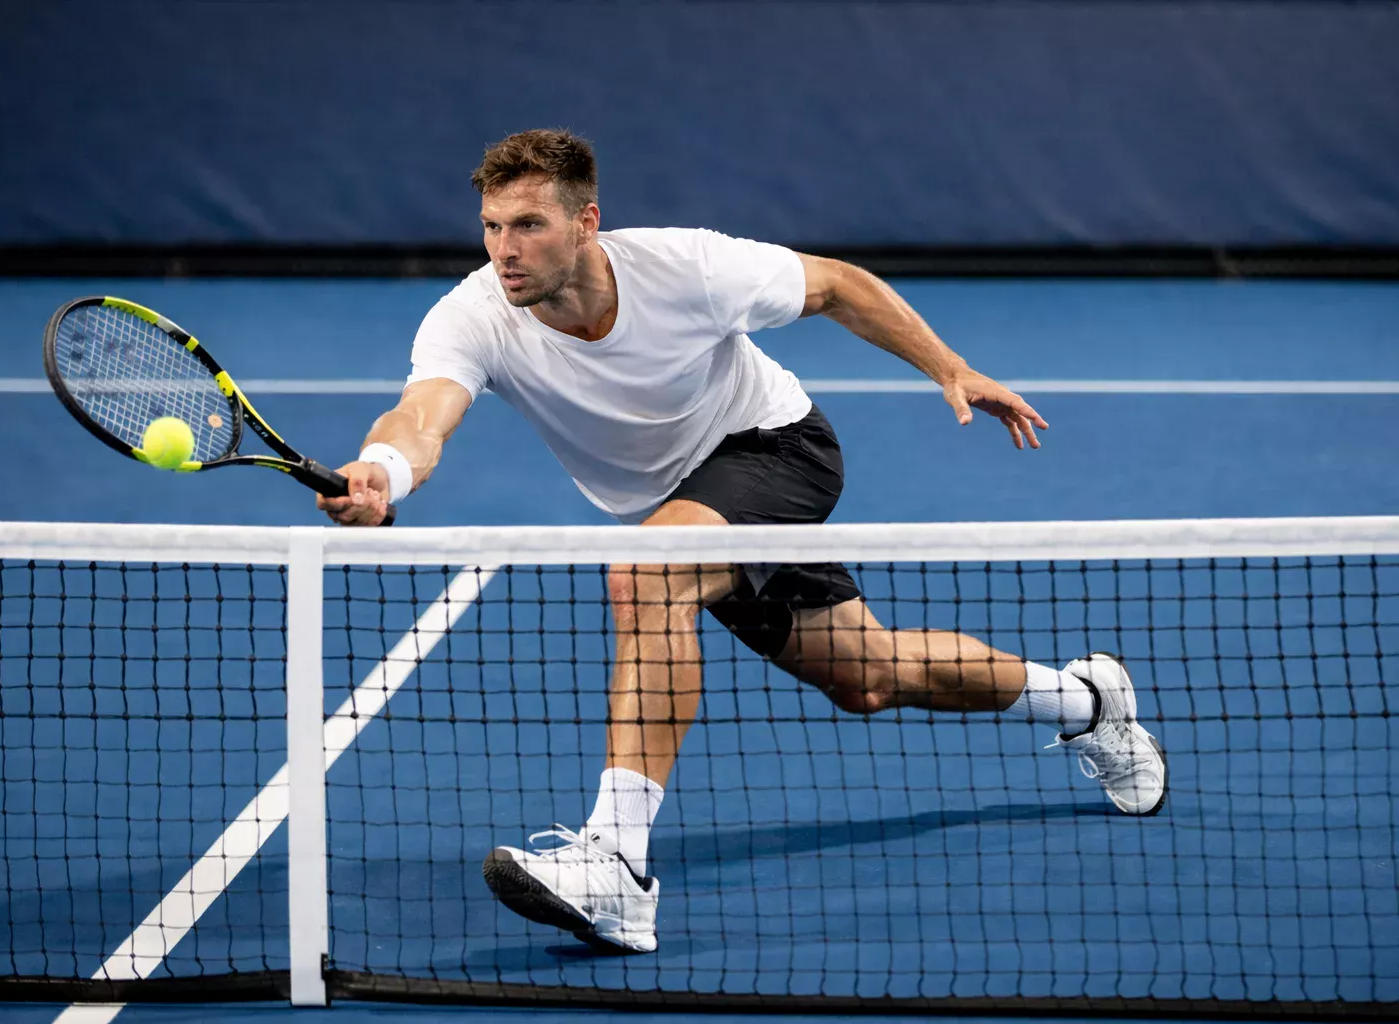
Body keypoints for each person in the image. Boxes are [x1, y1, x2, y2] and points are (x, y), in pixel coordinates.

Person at [318, 128, 1168, 954]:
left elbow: (837, 284)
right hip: (684, 504)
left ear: (585, 222)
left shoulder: (686, 267)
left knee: (646, 577)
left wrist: (949, 366)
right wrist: (383, 471)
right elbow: (423, 415)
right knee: (870, 678)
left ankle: (616, 865)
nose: (506, 249)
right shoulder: (473, 315)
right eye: (493, 228)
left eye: (529, 225)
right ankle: (1090, 701)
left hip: (774, 450)